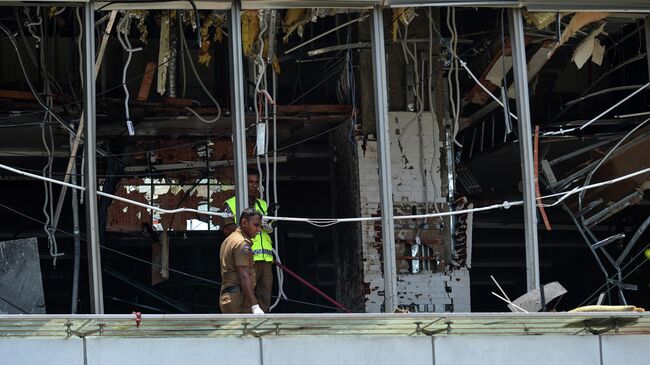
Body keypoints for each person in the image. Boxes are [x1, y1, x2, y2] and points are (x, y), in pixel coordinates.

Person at [222, 168, 275, 312]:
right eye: (250, 182)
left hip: (266, 258)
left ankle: (262, 328)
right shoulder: (231, 203)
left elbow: (269, 228)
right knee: (246, 296)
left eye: (256, 182)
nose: (254, 185)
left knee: (265, 297)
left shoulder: (262, 204)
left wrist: (268, 225)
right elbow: (226, 229)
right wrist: (248, 225)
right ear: (241, 183)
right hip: (247, 258)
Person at [219, 209, 264, 314]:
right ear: (244, 223)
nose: (259, 229)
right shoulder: (242, 244)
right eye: (256, 225)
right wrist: (255, 305)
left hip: (231, 295)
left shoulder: (230, 239)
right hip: (238, 298)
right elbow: (243, 276)